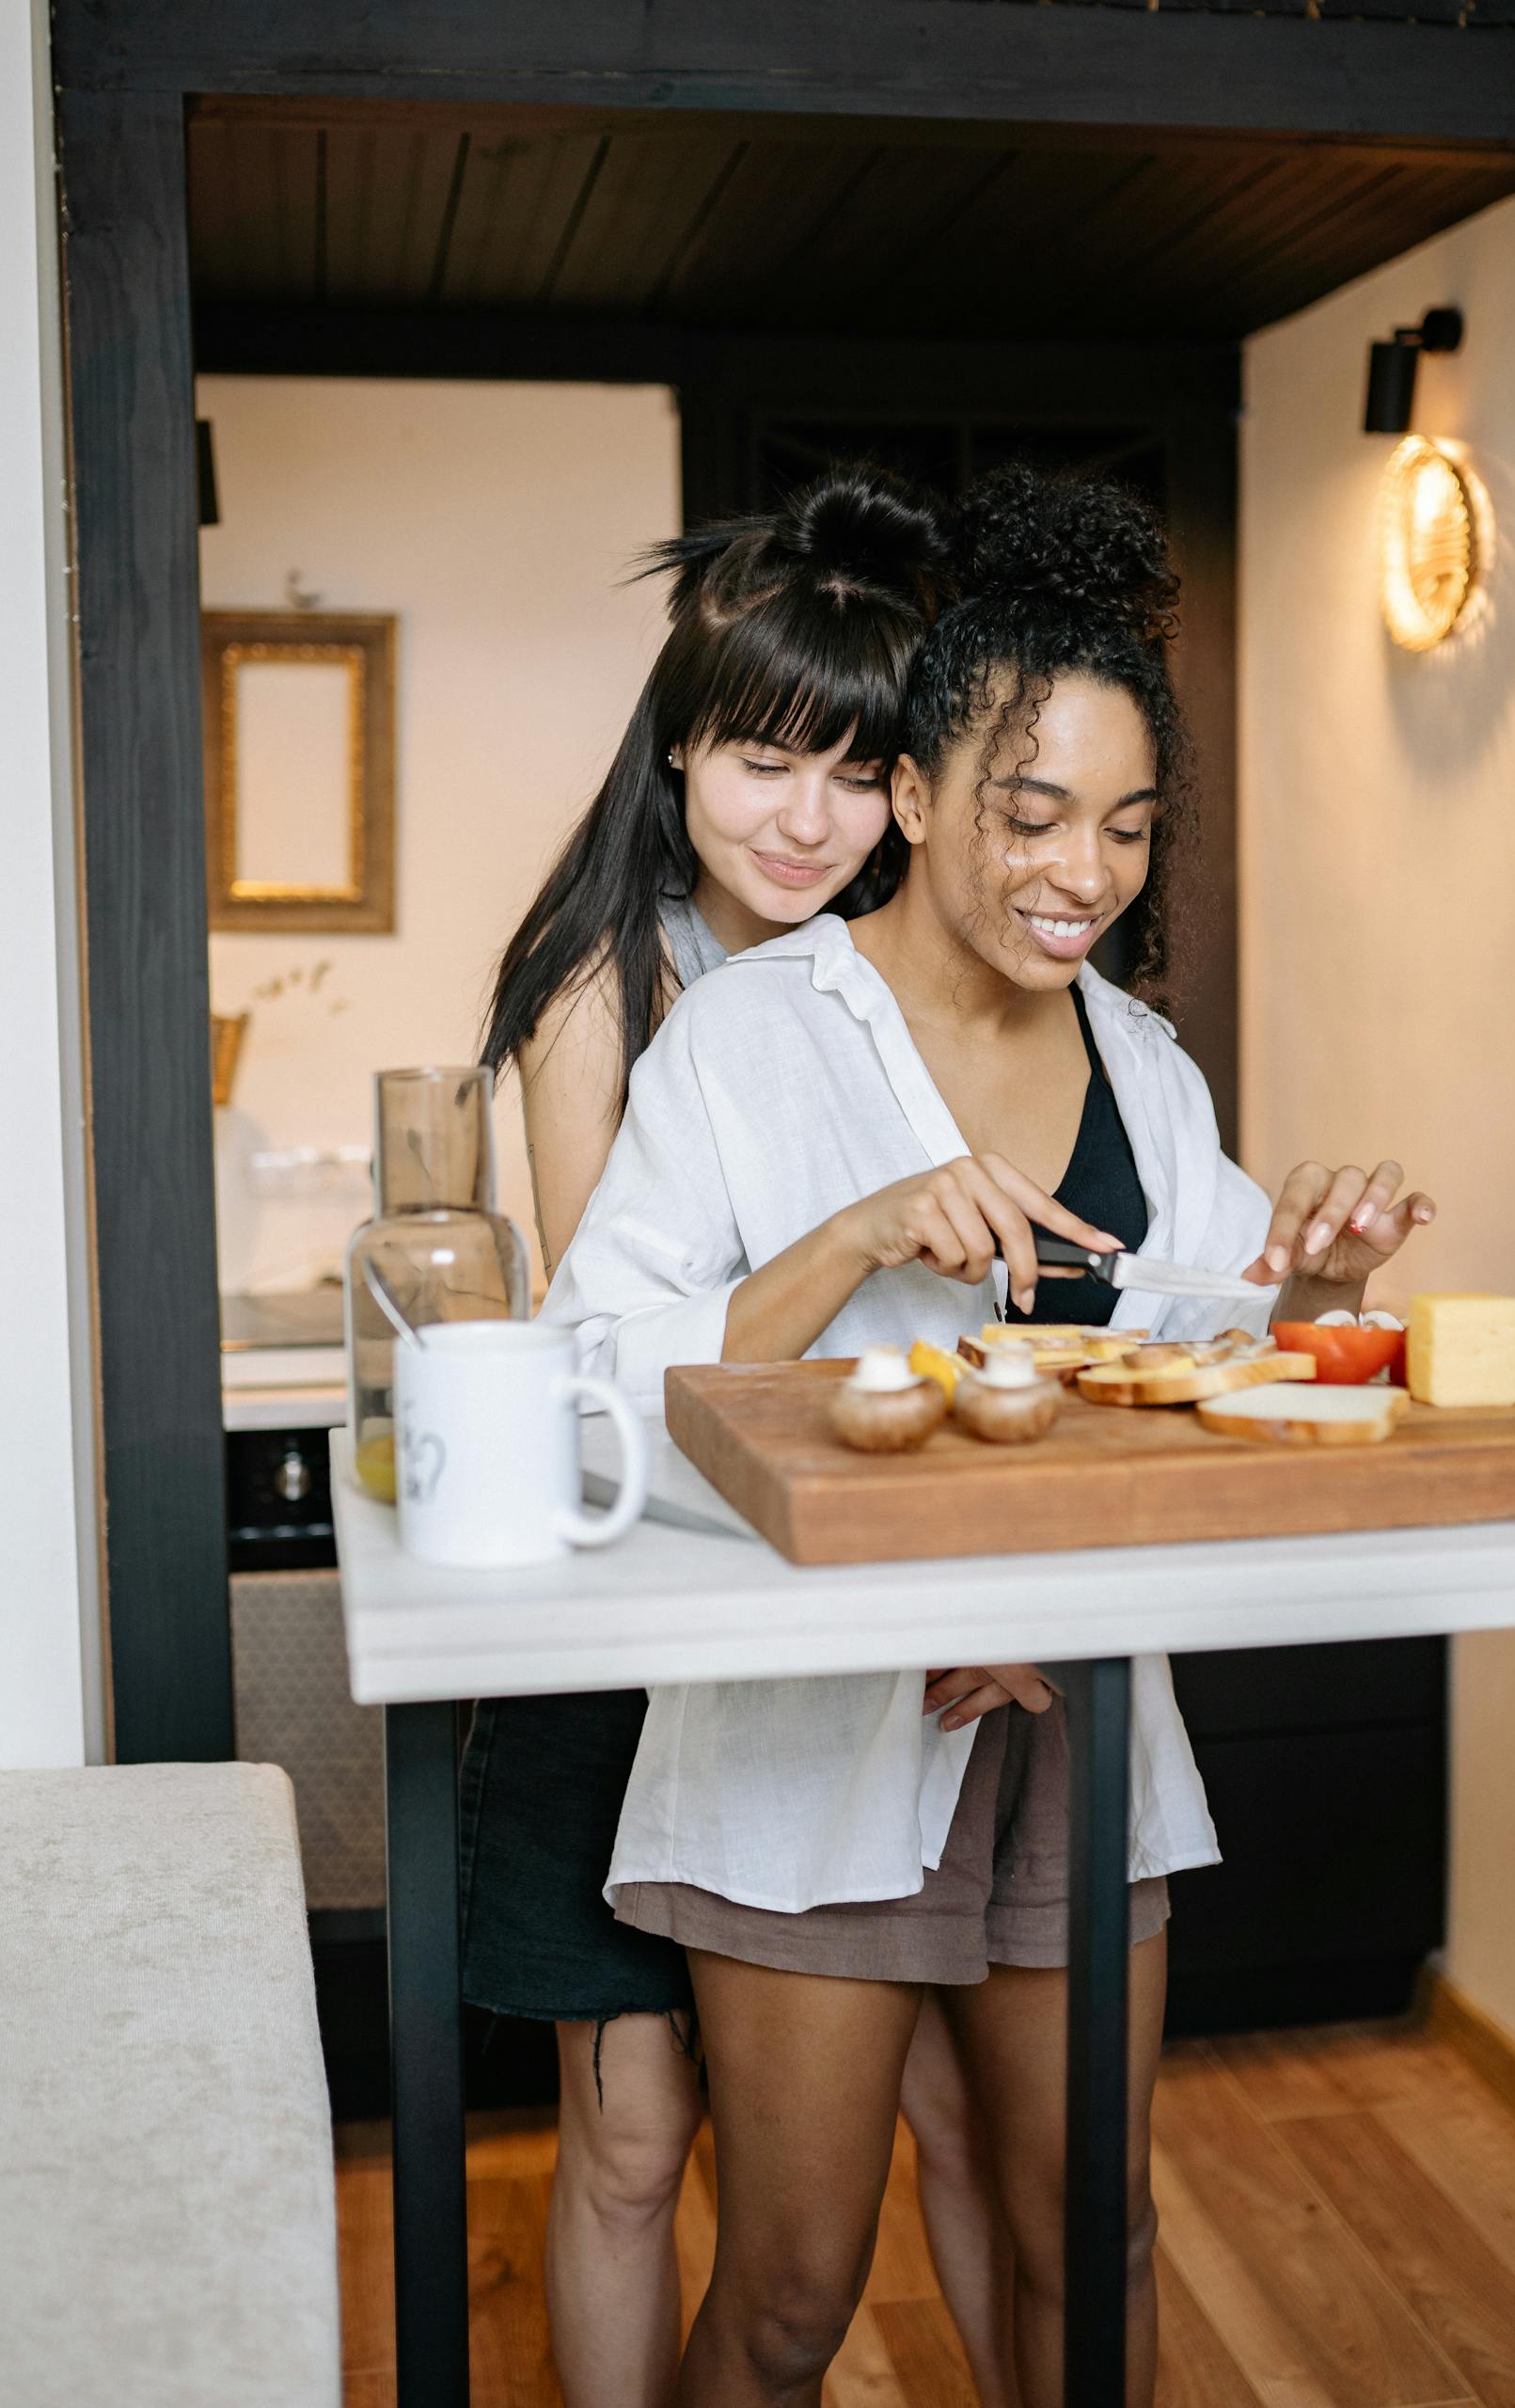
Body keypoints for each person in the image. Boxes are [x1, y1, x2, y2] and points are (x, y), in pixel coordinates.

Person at [541, 461, 1436, 2408]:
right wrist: (851, 1227)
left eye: (1123, 824)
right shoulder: (750, 1037)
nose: (1079, 869)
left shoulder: (1139, 1054)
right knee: (787, 2296)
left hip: (1074, 1717)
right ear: (917, 799)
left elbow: (1196, 1359)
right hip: (808, 1726)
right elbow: (592, 1375)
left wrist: (1305, 1276)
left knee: (1084, 2237)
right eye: (1029, 813)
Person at [463, 466, 1024, 2408]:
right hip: (628, 1630)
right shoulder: (604, 991)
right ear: (680, 747)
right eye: (763, 761)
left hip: (825, 1633)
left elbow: (930, 1342)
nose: (811, 820)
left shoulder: (879, 998)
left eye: (860, 774)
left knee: (943, 2117)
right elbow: (608, 1366)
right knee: (628, 2143)